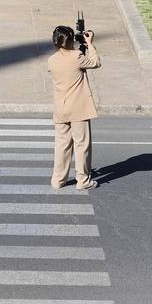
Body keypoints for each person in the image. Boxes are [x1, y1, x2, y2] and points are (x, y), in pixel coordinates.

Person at [47, 25, 100, 191]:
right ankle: (82, 180)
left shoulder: (51, 60)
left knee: (62, 145)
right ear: (71, 41)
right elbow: (96, 62)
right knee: (81, 145)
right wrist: (90, 44)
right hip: (78, 108)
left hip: (60, 108)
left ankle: (58, 179)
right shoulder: (77, 56)